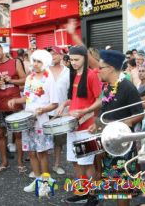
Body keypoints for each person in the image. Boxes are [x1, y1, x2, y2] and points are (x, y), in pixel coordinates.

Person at [96, 49, 144, 206]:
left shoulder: (128, 87)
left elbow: (139, 114)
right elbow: (105, 113)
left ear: (110, 68)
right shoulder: (107, 87)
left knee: (122, 186)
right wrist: (98, 125)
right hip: (109, 142)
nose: (98, 71)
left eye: (100, 68)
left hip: (123, 143)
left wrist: (121, 125)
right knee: (112, 181)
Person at [7, 50, 59, 192]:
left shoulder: (49, 79)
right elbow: (28, 98)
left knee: (42, 153)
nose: (35, 64)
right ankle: (37, 180)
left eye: (39, 61)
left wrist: (42, 110)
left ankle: (47, 183)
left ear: (45, 63)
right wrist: (16, 100)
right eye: (34, 61)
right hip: (28, 118)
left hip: (41, 120)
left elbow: (55, 103)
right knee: (31, 152)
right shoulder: (29, 78)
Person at [56, 45, 102, 204]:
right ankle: (82, 191)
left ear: (85, 58)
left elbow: (100, 100)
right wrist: (64, 104)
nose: (73, 63)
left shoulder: (91, 75)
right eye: (71, 60)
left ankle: (93, 195)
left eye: (77, 59)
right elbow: (76, 98)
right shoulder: (74, 75)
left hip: (87, 128)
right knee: (76, 162)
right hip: (73, 126)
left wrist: (86, 110)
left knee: (87, 163)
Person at [0, 41, 26, 174]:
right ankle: (4, 162)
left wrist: (11, 80)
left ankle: (20, 163)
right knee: (0, 134)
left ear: (1, 49)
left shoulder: (15, 62)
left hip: (15, 104)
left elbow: (25, 80)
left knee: (18, 134)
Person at [46, 46, 70, 175]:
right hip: (45, 110)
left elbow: (71, 93)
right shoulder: (44, 71)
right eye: (50, 54)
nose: (53, 56)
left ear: (61, 56)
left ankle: (56, 164)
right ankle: (43, 166)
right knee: (43, 139)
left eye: (55, 54)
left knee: (59, 140)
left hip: (61, 112)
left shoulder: (67, 72)